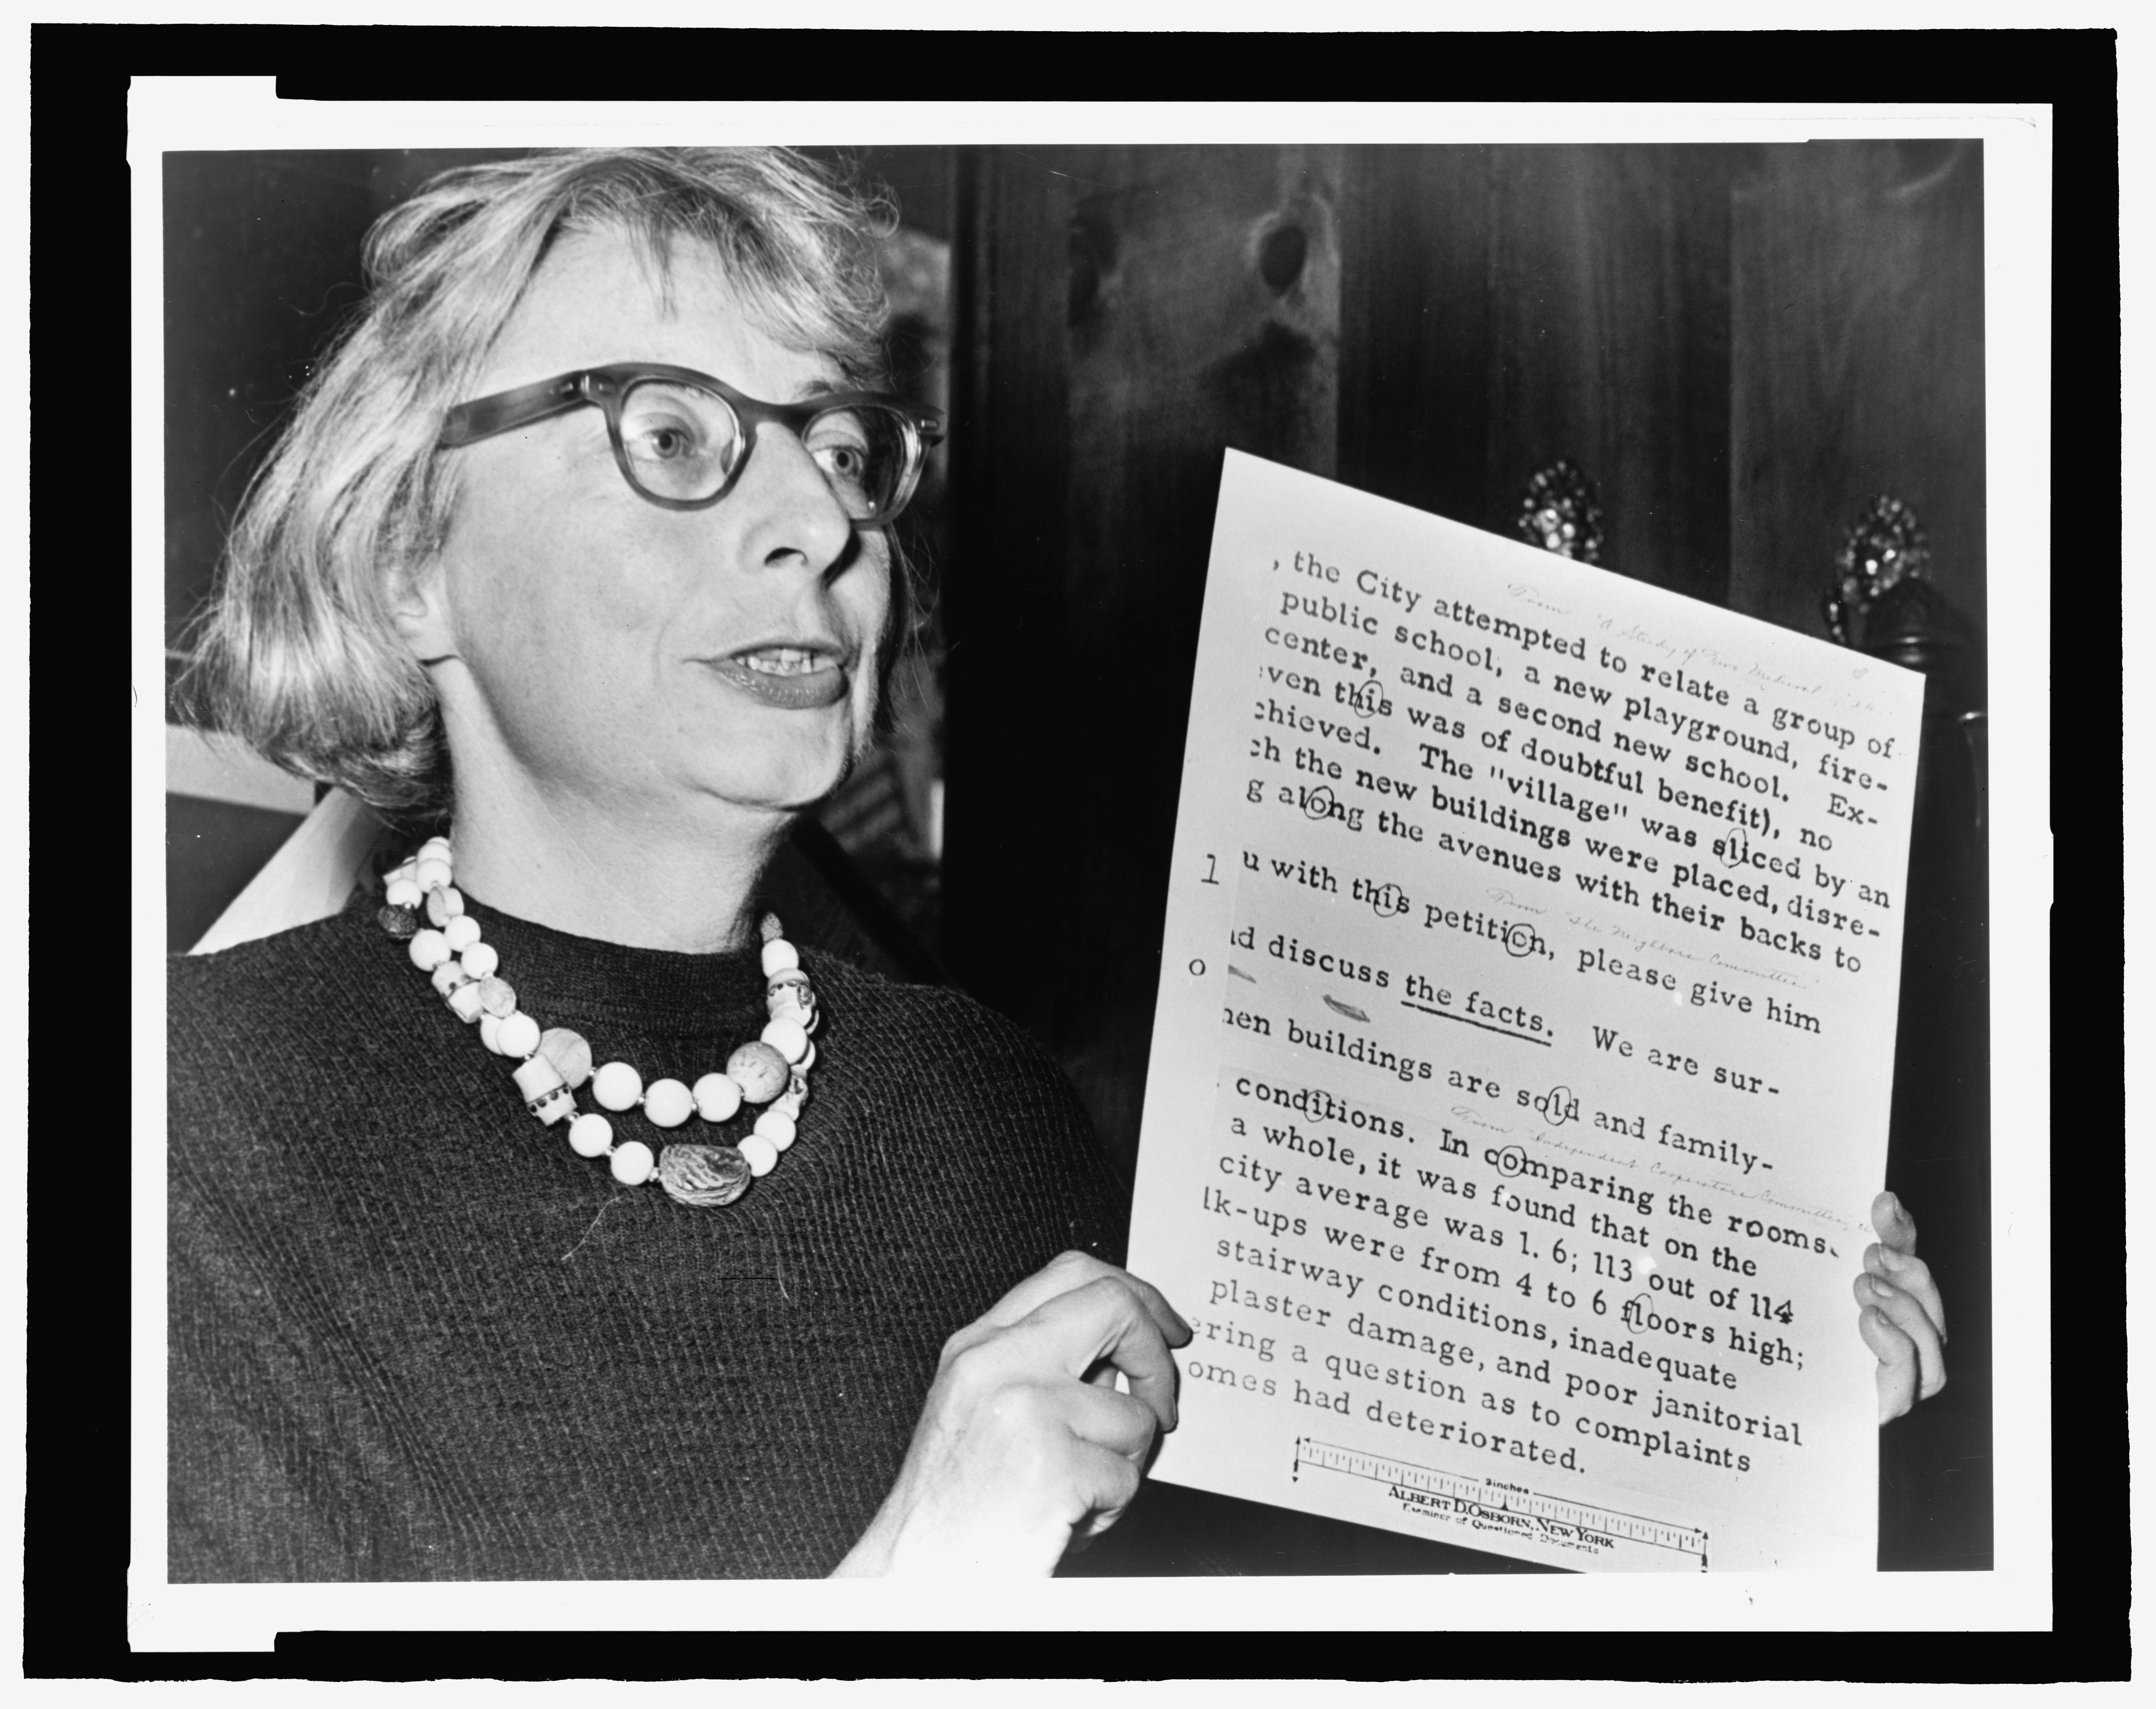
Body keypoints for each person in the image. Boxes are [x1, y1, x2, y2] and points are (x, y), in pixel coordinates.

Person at [167, 147, 1947, 1583]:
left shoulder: (990, 1113)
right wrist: (919, 1585)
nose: (817, 520)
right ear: (407, 562)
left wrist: (1740, 1446)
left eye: (837, 444)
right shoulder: (180, 1135)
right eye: (674, 435)